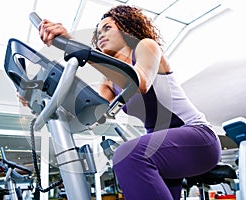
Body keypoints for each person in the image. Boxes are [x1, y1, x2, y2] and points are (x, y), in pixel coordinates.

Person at [25, 5, 221, 200]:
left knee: (129, 155)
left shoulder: (146, 47)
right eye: (98, 32)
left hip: (199, 138)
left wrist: (73, 45)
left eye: (107, 28)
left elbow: (140, 82)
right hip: (162, 149)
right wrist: (41, 96)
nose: (101, 34)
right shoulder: (109, 82)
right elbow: (92, 113)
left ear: (126, 29)